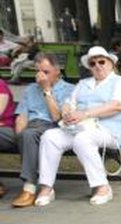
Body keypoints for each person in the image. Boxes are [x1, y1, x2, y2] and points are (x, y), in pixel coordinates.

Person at [34, 46, 121, 207]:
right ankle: (46, 187)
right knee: (49, 136)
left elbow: (118, 106)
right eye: (93, 63)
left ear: (111, 63)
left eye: (102, 61)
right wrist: (67, 113)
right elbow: (69, 103)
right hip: (78, 127)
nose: (98, 66)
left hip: (107, 130)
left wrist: (85, 114)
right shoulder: (83, 83)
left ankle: (102, 187)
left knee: (83, 139)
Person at [10, 53, 75, 208]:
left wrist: (47, 90)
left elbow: (56, 117)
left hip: (50, 128)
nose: (40, 76)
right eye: (38, 72)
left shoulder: (69, 89)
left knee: (29, 135)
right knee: (24, 134)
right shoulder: (30, 89)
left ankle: (29, 187)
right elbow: (22, 116)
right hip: (29, 129)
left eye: (45, 72)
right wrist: (20, 135)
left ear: (57, 70)